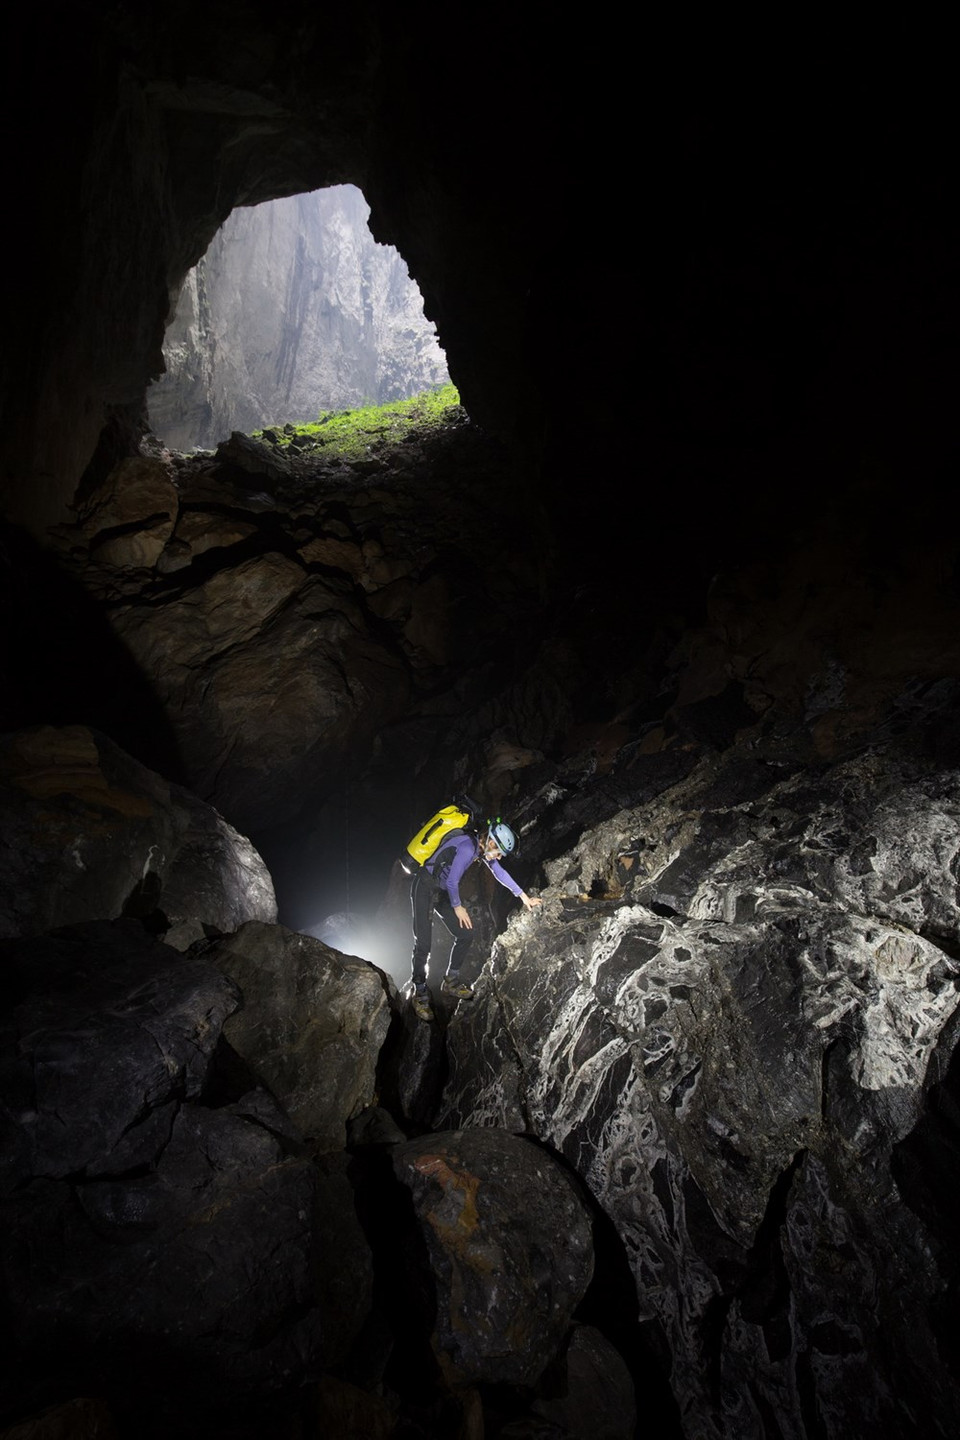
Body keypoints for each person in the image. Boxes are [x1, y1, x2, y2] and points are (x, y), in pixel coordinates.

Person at [409, 819, 542, 1020]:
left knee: (465, 934)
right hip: (425, 887)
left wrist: (524, 897)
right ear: (490, 843)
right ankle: (420, 993)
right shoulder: (467, 847)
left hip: (441, 891)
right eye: (498, 853)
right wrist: (457, 906)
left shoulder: (481, 850)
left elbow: (499, 872)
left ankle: (451, 981)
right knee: (424, 944)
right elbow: (453, 881)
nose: (498, 857)